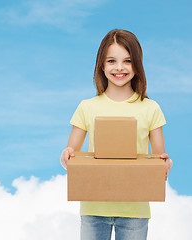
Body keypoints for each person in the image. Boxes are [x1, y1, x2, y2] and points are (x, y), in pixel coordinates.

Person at [60, 29, 173, 240]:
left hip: (135, 210)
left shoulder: (151, 108)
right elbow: (71, 157)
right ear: (101, 66)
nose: (119, 67)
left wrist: (165, 164)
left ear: (137, 66)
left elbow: (158, 160)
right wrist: (66, 156)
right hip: (94, 207)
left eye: (127, 61)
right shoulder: (87, 107)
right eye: (111, 60)